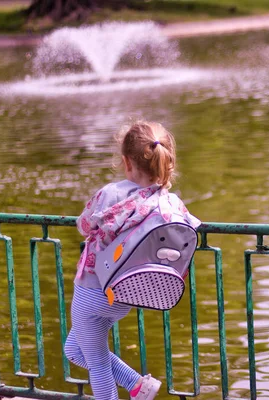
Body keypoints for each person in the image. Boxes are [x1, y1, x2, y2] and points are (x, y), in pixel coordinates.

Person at [64, 121, 201, 400]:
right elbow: (191, 230)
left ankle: (135, 388)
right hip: (127, 293)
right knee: (75, 350)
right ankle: (138, 386)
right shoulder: (171, 202)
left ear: (126, 162)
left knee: (98, 365)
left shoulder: (111, 194)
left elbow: (84, 225)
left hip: (92, 289)